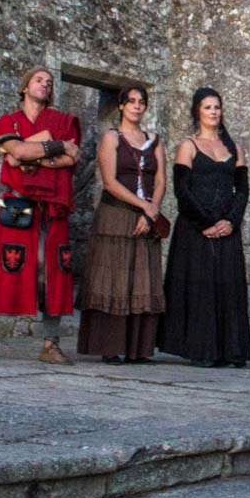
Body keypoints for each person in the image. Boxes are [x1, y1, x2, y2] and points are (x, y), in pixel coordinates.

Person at [0, 67, 80, 365]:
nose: (45, 84)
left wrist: (28, 153)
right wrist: (53, 145)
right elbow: (15, 149)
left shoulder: (62, 122)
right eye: (39, 80)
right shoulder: (8, 121)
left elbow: (70, 157)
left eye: (49, 82)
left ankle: (50, 345)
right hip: (17, 206)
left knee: (52, 275)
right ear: (25, 87)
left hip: (51, 208)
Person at [159, 88, 250, 367]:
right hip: (194, 227)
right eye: (208, 107)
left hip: (226, 228)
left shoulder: (234, 148)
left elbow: (243, 191)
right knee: (199, 286)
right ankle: (202, 349)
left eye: (217, 107)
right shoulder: (188, 146)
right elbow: (181, 190)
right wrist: (206, 223)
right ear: (197, 111)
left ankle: (231, 350)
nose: (213, 112)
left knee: (228, 285)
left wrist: (230, 222)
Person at [77, 85, 166, 364]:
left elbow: (161, 179)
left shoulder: (155, 140)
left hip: (146, 217)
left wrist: (151, 213)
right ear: (121, 106)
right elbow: (110, 182)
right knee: (114, 278)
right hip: (116, 215)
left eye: (141, 102)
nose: (136, 106)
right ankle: (110, 346)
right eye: (131, 101)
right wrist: (145, 206)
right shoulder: (111, 138)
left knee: (142, 278)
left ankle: (138, 348)